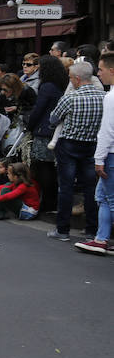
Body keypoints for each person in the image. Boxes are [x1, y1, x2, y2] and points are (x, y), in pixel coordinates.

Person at [46, 61, 105, 241]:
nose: (70, 81)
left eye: (71, 78)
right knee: (90, 188)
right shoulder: (104, 97)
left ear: (77, 79)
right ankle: (91, 231)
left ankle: (63, 230)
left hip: (69, 144)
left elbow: (53, 119)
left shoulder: (70, 98)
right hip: (93, 144)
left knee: (66, 187)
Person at [75, 53, 114, 254]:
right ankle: (101, 238)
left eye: (100, 69)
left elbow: (106, 132)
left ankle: (102, 238)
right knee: (103, 196)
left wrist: (99, 159)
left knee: (110, 198)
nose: (98, 74)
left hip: (111, 154)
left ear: (111, 70)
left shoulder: (110, 97)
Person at [25, 55, 67, 212]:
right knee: (51, 168)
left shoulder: (47, 86)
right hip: (55, 130)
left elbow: (38, 109)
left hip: (44, 130)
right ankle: (52, 201)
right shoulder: (60, 84)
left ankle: (48, 202)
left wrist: (30, 125)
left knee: (44, 168)